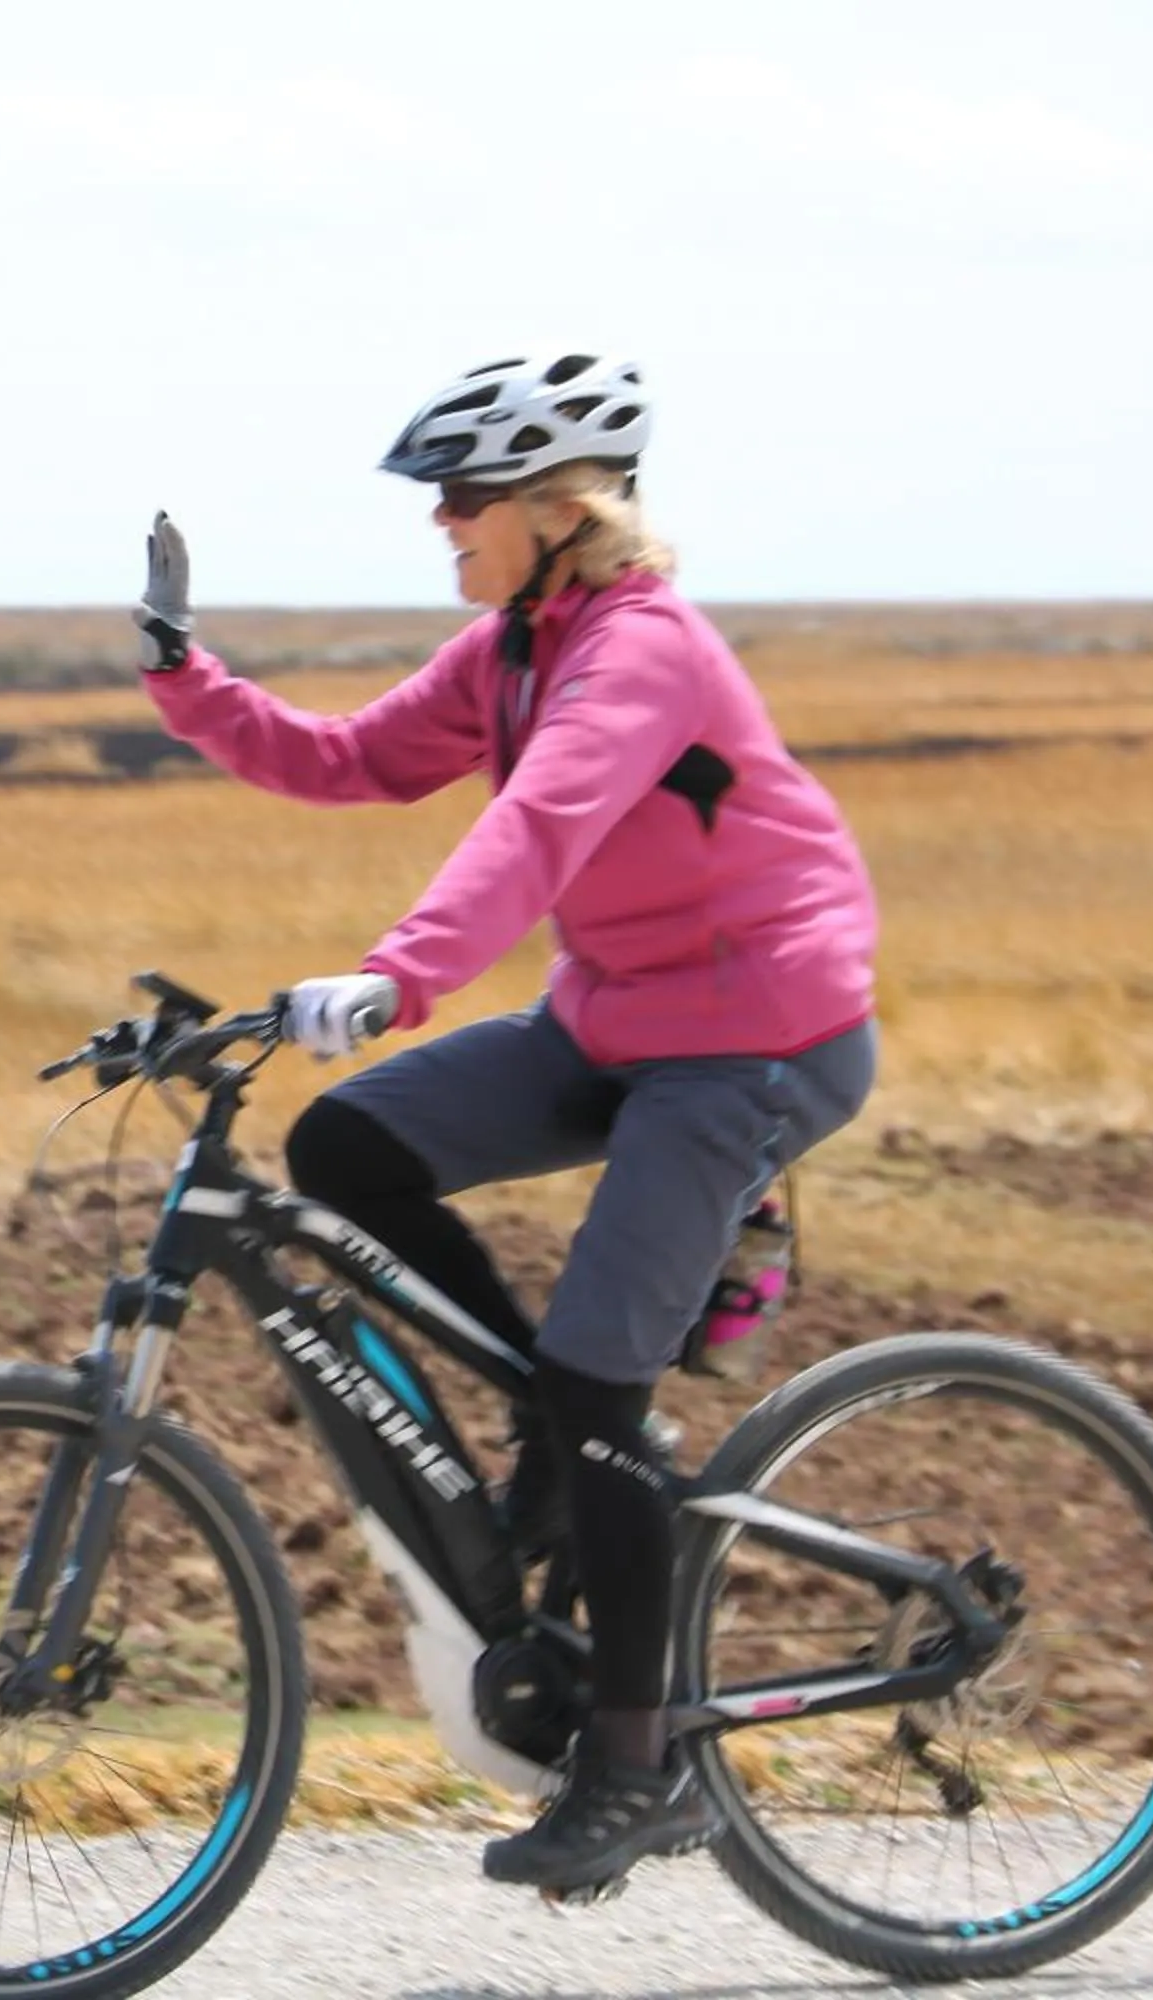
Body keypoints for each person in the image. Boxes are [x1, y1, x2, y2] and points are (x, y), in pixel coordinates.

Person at [128, 351, 880, 1894]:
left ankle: (632, 1761)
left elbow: (541, 828)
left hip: (754, 1041)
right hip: (617, 1019)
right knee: (345, 1150)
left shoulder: (640, 652)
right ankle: (551, 1409)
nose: (443, 525)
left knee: (605, 1396)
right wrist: (183, 676)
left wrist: (399, 979)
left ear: (560, 507)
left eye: (466, 498)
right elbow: (353, 760)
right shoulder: (513, 651)